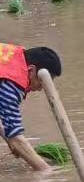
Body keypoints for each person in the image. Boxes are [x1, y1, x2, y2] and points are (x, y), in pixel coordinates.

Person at [0, 43, 62, 174]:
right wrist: (46, 171)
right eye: (43, 81)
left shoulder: (12, 59)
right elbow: (16, 138)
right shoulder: (11, 83)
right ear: (31, 70)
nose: (41, 88)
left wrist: (10, 141)